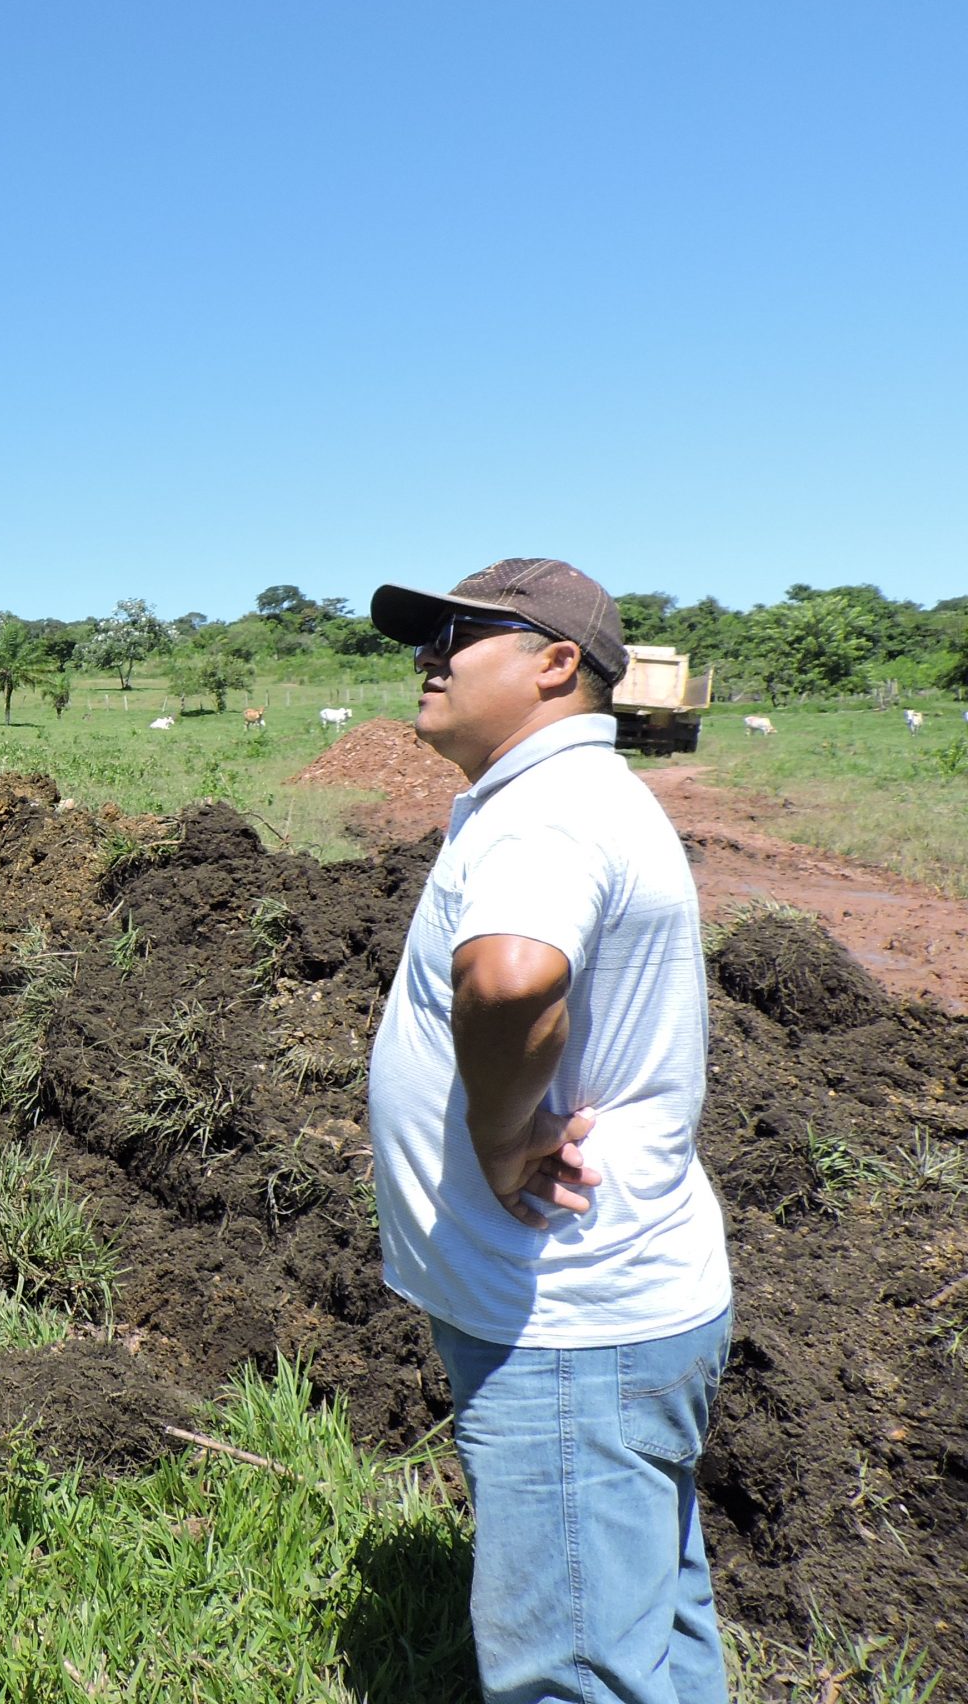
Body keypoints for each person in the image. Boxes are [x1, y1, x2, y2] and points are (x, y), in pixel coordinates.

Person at [366, 559, 732, 1704]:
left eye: (458, 636)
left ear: (555, 663)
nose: (429, 656)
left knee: (571, 1676)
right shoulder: (573, 798)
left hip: (566, 1323)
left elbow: (515, 978)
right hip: (609, 1312)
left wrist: (496, 1130)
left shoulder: (548, 814)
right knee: (651, 1628)